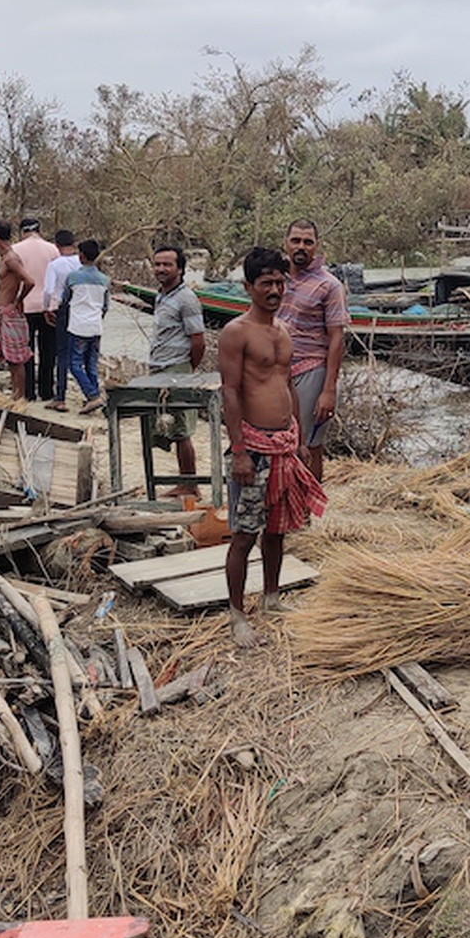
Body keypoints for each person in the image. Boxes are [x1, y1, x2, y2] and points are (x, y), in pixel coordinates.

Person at [219, 247, 327, 649]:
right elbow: (230, 392)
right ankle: (236, 615)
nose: (275, 290)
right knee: (245, 534)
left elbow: (288, 385)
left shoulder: (283, 330)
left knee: (278, 531)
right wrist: (239, 451)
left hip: (284, 444)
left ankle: (271, 597)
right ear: (248, 287)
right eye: (266, 283)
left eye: (280, 283)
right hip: (254, 447)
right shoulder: (236, 332)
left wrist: (299, 439)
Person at [280, 219, 348, 483]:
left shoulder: (329, 286)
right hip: (278, 371)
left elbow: (336, 338)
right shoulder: (276, 279)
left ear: (316, 246)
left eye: (308, 242)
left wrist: (328, 390)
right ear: (285, 243)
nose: (301, 246)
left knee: (309, 444)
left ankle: (310, 502)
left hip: (311, 370)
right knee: (281, 440)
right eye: (296, 240)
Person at [147, 244, 207, 496]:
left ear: (180, 269)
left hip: (177, 369)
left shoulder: (186, 299)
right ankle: (182, 482)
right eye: (157, 264)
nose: (161, 269)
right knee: (165, 426)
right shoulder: (161, 296)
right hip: (159, 369)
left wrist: (186, 369)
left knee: (182, 430)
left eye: (167, 264)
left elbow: (198, 341)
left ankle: (190, 485)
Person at [60, 238, 110, 415]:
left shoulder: (73, 277)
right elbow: (105, 306)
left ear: (81, 256)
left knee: (74, 365)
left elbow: (65, 299)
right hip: (96, 326)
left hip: (78, 326)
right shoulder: (104, 280)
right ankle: (93, 399)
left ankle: (92, 395)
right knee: (91, 365)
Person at [14, 218, 61, 402]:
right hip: (49, 306)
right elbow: (57, 280)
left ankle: (28, 392)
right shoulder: (52, 249)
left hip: (24, 305)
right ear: (39, 231)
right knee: (48, 351)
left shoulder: (16, 249)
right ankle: (46, 390)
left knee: (26, 350)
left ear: (22, 231)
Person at [0, 220, 34, 400]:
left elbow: (29, 281)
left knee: (16, 358)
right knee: (9, 357)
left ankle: (19, 396)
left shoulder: (11, 259)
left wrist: (18, 301)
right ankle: (15, 394)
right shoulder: (5, 256)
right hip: (3, 311)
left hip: (9, 312)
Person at [42, 229, 81, 412]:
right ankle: (90, 394)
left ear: (57, 246)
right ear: (74, 244)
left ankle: (60, 397)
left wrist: (46, 308)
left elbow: (48, 290)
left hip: (62, 309)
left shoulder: (55, 265)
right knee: (81, 353)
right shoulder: (82, 263)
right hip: (81, 310)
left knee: (62, 353)